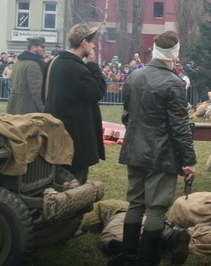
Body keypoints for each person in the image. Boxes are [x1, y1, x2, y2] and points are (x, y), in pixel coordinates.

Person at [118, 30, 197, 265]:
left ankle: (128, 254)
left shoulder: (134, 76)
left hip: (135, 149)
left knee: (136, 203)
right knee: (156, 208)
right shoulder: (174, 83)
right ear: (175, 53)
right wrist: (189, 160)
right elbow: (180, 126)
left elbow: (126, 115)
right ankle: (148, 259)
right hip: (160, 154)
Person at [42, 24, 106, 184]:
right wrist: (92, 64)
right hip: (75, 139)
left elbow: (44, 94)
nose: (94, 45)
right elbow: (98, 91)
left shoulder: (53, 63)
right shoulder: (78, 68)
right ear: (84, 43)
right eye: (91, 42)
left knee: (58, 181)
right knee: (75, 187)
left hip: (56, 132)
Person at [80, 199, 190, 265]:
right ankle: (172, 236)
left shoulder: (102, 204)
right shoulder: (138, 203)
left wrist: (92, 227)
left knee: (107, 238)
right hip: (151, 217)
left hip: (122, 216)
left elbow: (89, 222)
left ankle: (126, 248)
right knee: (154, 233)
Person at [7, 37, 47, 114]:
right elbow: (37, 92)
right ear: (33, 48)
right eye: (42, 47)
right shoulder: (33, 65)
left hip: (15, 108)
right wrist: (45, 111)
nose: (44, 49)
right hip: (28, 111)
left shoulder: (19, 62)